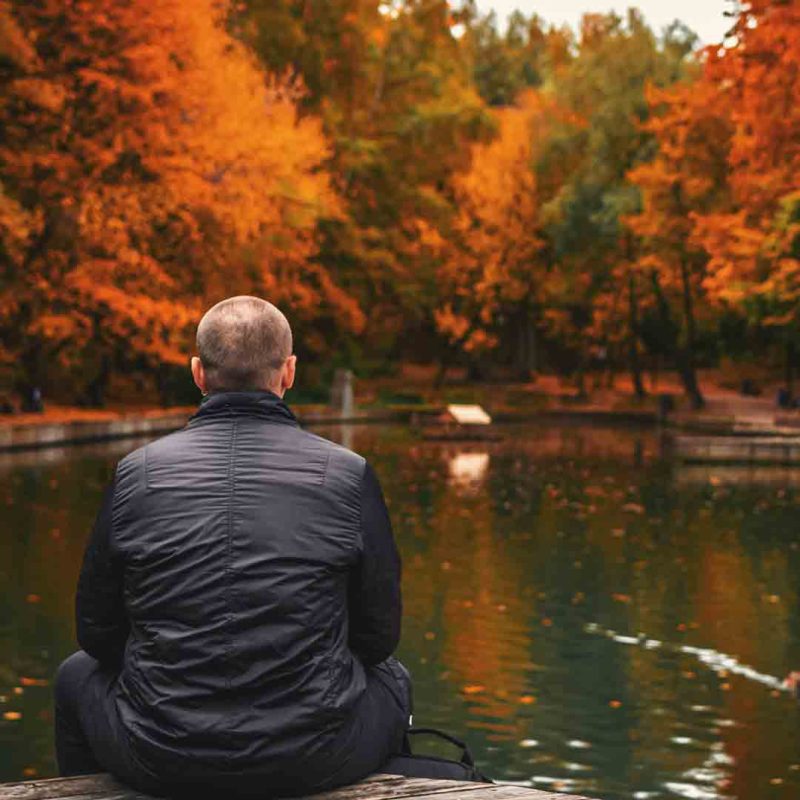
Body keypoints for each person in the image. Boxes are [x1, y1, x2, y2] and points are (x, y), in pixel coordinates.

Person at [54, 296, 411, 798]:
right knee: (393, 678)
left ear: (198, 373)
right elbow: (378, 639)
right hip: (312, 757)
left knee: (75, 675)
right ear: (289, 372)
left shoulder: (137, 474)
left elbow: (97, 633)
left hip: (158, 755)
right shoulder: (348, 474)